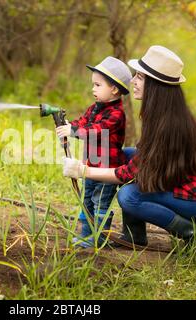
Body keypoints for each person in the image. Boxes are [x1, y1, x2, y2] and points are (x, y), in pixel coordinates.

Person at [62, 46, 196, 248]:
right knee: (129, 154)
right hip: (183, 187)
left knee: (129, 196)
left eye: (139, 77)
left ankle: (195, 234)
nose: (132, 82)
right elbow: (140, 163)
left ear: (154, 86)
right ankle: (134, 236)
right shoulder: (160, 113)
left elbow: (125, 174)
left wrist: (83, 170)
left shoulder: (169, 126)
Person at [55, 56, 132, 247]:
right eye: (93, 85)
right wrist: (68, 125)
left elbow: (96, 132)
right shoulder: (95, 108)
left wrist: (73, 132)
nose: (93, 89)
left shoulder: (116, 114)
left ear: (114, 89)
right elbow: (83, 122)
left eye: (98, 85)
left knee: (100, 203)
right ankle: (87, 234)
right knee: (87, 200)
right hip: (90, 165)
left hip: (107, 169)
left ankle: (100, 238)